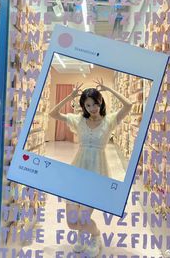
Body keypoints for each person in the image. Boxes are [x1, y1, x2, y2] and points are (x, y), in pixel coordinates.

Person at [49, 78, 132, 257]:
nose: (92, 108)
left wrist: (109, 89)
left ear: (100, 102)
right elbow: (53, 114)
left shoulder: (109, 121)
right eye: (88, 105)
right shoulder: (78, 120)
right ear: (83, 107)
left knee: (83, 217)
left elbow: (129, 105)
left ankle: (95, 236)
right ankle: (81, 233)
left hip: (97, 173)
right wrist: (69, 97)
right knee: (72, 221)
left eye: (95, 104)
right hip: (77, 171)